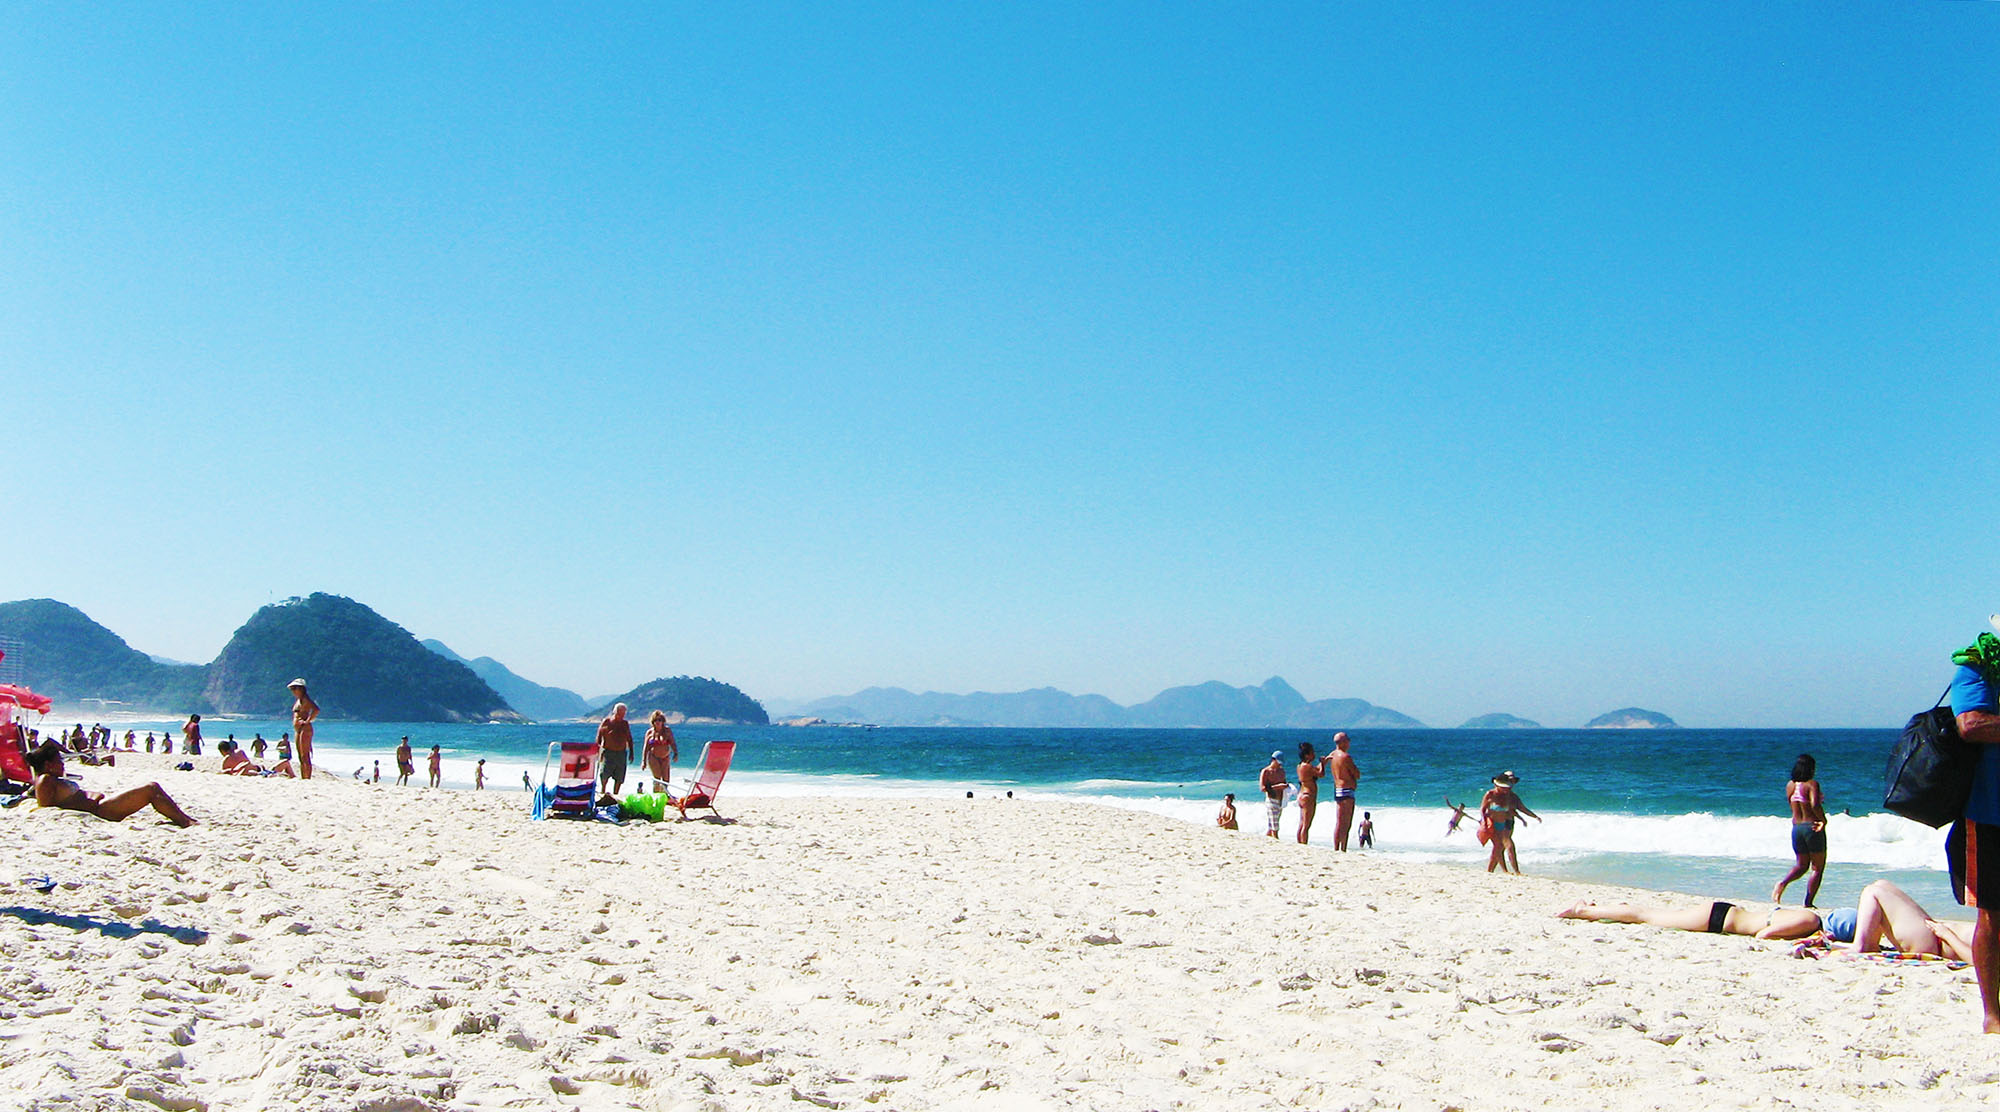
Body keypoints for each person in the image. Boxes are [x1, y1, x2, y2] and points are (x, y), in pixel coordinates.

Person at [1945, 620, 2000, 1033]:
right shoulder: (1977, 666)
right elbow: (1971, 725)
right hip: (1990, 812)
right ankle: (1992, 1013)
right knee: (1993, 917)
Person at [27, 742, 196, 826]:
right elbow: (46, 808)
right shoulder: (45, 780)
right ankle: (185, 822)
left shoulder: (50, 779)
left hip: (101, 804)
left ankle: (185, 819)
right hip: (101, 809)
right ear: (48, 765)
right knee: (151, 788)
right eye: (59, 761)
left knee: (152, 788)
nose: (63, 764)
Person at [1556, 897, 1831, 941]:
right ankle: (1583, 911)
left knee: (1650, 914)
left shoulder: (1808, 919)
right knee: (1645, 917)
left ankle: (1597, 907)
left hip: (1721, 915)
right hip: (1717, 919)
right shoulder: (1810, 921)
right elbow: (1764, 934)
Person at [1848, 879, 1975, 961]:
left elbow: (1975, 959)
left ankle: (1860, 946)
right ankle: (1870, 945)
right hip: (1936, 937)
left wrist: (1946, 935)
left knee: (1872, 892)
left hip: (1936, 943)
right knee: (1881, 884)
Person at [1772, 753, 1828, 907]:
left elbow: (1792, 803)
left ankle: (1782, 883)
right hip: (1812, 827)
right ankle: (1808, 902)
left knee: (1801, 865)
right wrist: (1823, 820)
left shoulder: (1790, 785)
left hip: (1797, 828)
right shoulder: (1812, 784)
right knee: (1817, 868)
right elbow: (1815, 805)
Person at [1481, 771, 1540, 874]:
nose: (1511, 784)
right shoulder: (1490, 794)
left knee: (1501, 847)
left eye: (1512, 781)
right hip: (1493, 823)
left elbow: (1521, 808)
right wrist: (1484, 822)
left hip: (1508, 822)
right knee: (1502, 847)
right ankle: (1506, 871)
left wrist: (1534, 817)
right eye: (1509, 780)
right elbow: (1483, 809)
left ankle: (1494, 871)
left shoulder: (1512, 796)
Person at [1327, 732, 1360, 851]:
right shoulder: (1345, 756)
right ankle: (1343, 848)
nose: (1349, 742)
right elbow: (1356, 774)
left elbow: (1325, 762)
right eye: (1348, 740)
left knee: (1339, 821)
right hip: (1347, 789)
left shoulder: (1333, 754)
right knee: (1346, 822)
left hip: (1338, 789)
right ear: (1343, 742)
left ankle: (1336, 847)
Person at [597, 703, 634, 797]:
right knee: (604, 773)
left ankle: (615, 794)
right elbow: (599, 737)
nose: (621, 715)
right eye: (619, 713)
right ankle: (603, 791)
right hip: (608, 752)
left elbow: (629, 738)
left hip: (621, 752)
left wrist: (631, 752)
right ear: (615, 712)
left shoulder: (625, 723)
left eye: (623, 713)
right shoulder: (607, 722)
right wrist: (598, 750)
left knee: (620, 775)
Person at [287, 678, 318, 779]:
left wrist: (308, 721)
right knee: (300, 755)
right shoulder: (299, 700)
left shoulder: (305, 700)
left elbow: (316, 709)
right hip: (298, 729)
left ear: (300, 689)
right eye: (292, 689)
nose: (293, 691)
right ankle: (303, 776)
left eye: (294, 688)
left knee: (305, 755)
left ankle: (307, 777)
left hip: (305, 728)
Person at [1295, 741, 1324, 844]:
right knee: (1306, 825)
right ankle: (1304, 844)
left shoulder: (1300, 766)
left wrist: (1322, 763)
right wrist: (1323, 765)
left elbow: (1316, 770)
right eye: (1312, 753)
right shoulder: (1307, 766)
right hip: (1308, 795)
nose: (1314, 755)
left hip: (1302, 794)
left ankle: (1300, 842)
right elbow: (1320, 774)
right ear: (1307, 755)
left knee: (1302, 823)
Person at [218, 739, 294, 777]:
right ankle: (293, 777)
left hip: (255, 772)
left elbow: (225, 772)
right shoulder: (240, 751)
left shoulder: (226, 760)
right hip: (259, 769)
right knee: (286, 762)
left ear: (222, 751)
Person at [643, 710, 678, 791]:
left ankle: (664, 795)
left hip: (665, 757)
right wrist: (643, 761)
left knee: (666, 780)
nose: (658, 722)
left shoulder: (667, 731)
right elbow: (646, 747)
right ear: (653, 722)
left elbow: (672, 742)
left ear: (663, 721)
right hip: (653, 757)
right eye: (655, 720)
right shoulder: (650, 732)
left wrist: (675, 753)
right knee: (657, 778)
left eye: (659, 720)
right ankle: (656, 795)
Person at [1258, 752, 1288, 839]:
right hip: (1271, 799)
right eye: (1278, 762)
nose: (1279, 764)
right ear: (1273, 760)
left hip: (1281, 800)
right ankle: (1276, 839)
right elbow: (1262, 788)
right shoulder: (1266, 771)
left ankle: (1266, 838)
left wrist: (1286, 786)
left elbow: (1284, 782)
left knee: (1273, 824)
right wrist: (1276, 787)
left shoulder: (1281, 771)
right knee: (1275, 826)